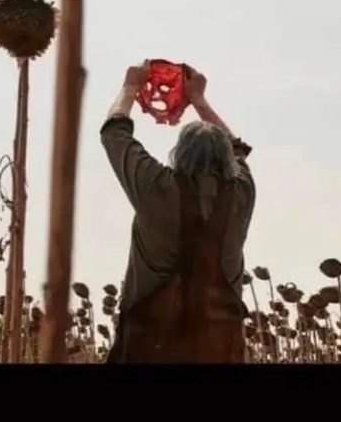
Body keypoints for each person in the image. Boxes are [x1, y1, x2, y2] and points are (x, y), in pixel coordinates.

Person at [100, 61, 256, 363]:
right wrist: (198, 99)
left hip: (150, 345)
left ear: (178, 155)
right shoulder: (242, 194)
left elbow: (114, 133)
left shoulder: (156, 187)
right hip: (219, 348)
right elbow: (237, 147)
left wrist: (131, 87)